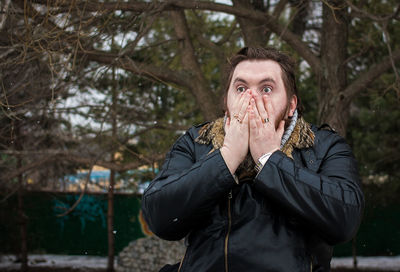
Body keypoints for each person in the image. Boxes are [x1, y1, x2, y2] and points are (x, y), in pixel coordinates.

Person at [141, 47, 365, 272]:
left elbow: (345, 221)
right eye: (241, 88)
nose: (252, 98)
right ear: (226, 102)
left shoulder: (322, 147)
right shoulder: (196, 143)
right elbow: (160, 218)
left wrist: (270, 159)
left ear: (291, 105)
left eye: (266, 88)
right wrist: (227, 157)